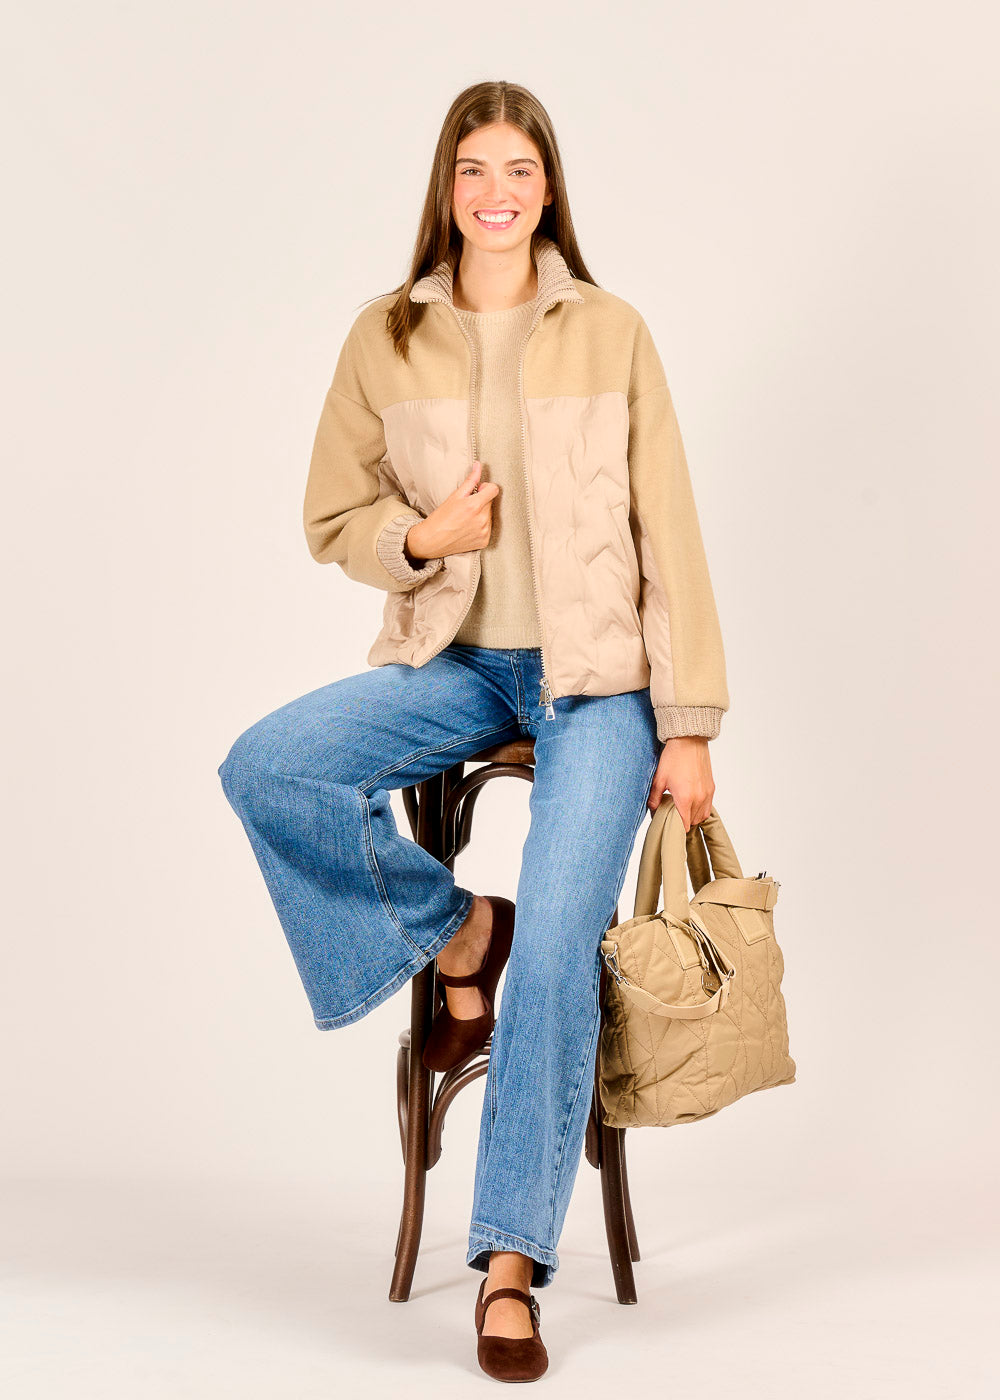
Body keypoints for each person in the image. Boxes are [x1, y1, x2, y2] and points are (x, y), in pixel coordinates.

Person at [218, 79, 729, 1384]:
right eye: (473, 171)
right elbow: (332, 516)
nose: (496, 194)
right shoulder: (386, 336)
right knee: (270, 766)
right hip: (453, 663)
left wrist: (688, 723)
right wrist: (422, 537)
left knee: (558, 948)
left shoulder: (610, 329)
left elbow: (668, 528)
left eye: (519, 171)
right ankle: (457, 931)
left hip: (598, 684)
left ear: (549, 189)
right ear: (446, 189)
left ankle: (510, 1262)